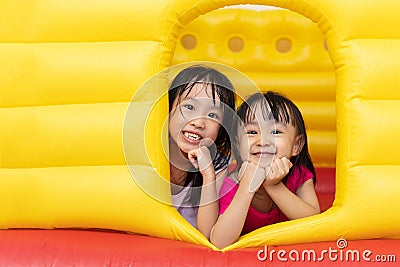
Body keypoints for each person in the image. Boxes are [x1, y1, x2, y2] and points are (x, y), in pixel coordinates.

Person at [210, 91, 320, 248]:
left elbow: (314, 223)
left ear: (296, 145)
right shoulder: (231, 184)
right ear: (237, 143)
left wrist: (274, 186)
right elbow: (220, 241)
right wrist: (247, 188)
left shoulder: (300, 175)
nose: (262, 141)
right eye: (252, 132)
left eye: (276, 132)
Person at [168, 65, 235, 239]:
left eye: (213, 115)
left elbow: (207, 233)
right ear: (168, 110)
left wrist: (208, 175)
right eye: (190, 107)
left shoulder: (218, 163)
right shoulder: (150, 153)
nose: (199, 122)